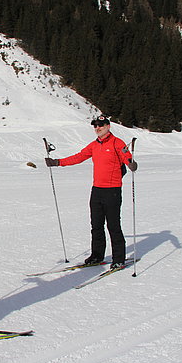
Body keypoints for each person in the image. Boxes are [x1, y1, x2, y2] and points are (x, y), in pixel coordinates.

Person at [45, 115, 137, 270]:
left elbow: (126, 156)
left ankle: (119, 258)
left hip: (113, 191)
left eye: (100, 125)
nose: (97, 128)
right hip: (97, 191)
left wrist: (131, 164)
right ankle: (97, 255)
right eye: (95, 126)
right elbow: (79, 157)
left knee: (113, 226)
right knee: (96, 225)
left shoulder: (117, 143)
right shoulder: (94, 145)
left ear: (108, 126)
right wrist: (57, 162)